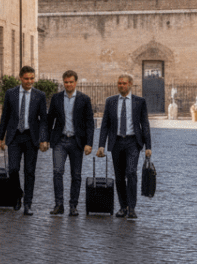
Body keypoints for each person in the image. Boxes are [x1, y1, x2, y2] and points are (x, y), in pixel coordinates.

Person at [0, 66, 49, 215]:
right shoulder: (10, 93)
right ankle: (18, 193)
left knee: (29, 171)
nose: (29, 81)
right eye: (26, 79)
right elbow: (5, 116)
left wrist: (44, 138)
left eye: (32, 78)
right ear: (20, 78)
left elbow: (44, 120)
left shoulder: (39, 95)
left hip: (31, 138)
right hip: (14, 137)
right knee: (13, 169)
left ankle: (28, 204)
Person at [97, 74, 152, 219]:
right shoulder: (110, 101)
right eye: (119, 83)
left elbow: (145, 124)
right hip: (116, 142)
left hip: (133, 142)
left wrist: (148, 146)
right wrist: (101, 145)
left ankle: (132, 207)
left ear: (130, 84)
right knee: (119, 177)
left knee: (131, 172)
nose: (121, 86)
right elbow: (105, 125)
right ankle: (123, 206)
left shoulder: (139, 102)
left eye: (124, 83)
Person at [45, 70, 95, 216]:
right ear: (63, 83)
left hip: (76, 142)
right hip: (59, 141)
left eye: (71, 82)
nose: (68, 84)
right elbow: (49, 120)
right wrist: (46, 139)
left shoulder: (84, 99)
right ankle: (59, 204)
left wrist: (89, 143)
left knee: (76, 175)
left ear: (76, 82)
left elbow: (89, 123)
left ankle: (73, 206)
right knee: (57, 172)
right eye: (66, 82)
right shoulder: (56, 98)